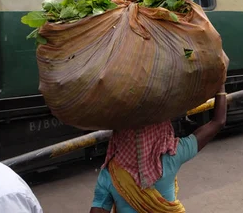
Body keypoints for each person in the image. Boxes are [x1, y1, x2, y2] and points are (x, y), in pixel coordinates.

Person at [90, 84, 227, 213]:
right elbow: (218, 121)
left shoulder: (110, 174)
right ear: (162, 127)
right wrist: (220, 85)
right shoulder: (172, 156)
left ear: (119, 135)